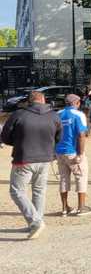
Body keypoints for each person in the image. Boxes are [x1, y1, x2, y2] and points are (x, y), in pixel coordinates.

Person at [1, 91, 62, 239]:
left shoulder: (19, 114)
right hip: (46, 158)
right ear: (44, 100)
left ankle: (35, 222)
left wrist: (17, 143)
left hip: (24, 157)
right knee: (39, 191)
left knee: (17, 191)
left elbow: (5, 136)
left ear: (29, 101)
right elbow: (58, 136)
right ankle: (36, 221)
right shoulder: (54, 115)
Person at [56, 94, 91, 216]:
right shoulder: (79, 114)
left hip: (59, 151)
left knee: (63, 178)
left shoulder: (58, 114)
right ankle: (81, 207)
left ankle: (65, 208)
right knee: (81, 176)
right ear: (77, 103)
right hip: (72, 151)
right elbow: (81, 135)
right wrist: (80, 154)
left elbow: (53, 133)